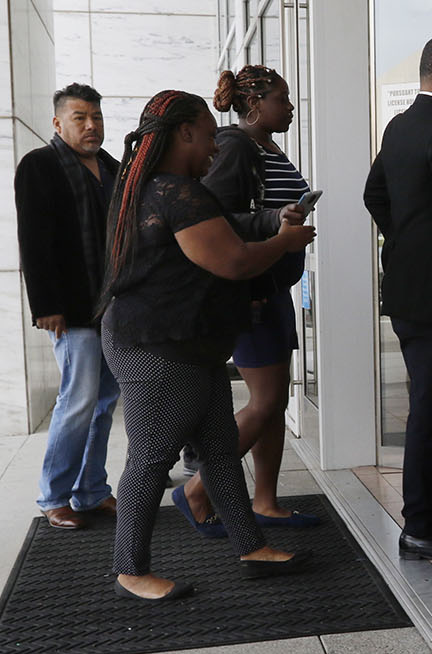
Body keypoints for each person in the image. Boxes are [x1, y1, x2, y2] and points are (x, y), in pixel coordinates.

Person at [99, 89, 315, 600]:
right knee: (151, 458)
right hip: (157, 347)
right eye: (209, 132)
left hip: (187, 344)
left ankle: (250, 545)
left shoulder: (159, 187)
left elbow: (221, 227)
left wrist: (269, 225)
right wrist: (283, 243)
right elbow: (233, 261)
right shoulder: (175, 191)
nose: (218, 143)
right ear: (185, 132)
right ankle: (129, 570)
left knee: (219, 450)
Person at [173, 64, 319, 530]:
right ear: (255, 105)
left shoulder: (264, 145)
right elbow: (216, 222)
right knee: (266, 400)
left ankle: (266, 501)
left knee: (274, 403)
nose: (291, 106)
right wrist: (278, 224)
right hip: (251, 292)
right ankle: (195, 491)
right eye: (283, 98)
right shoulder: (236, 146)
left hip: (271, 288)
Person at [363, 36, 432, 561]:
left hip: (407, 289)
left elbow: (372, 193)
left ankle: (431, 506)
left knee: (430, 404)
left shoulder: (399, 126)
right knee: (431, 409)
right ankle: (419, 525)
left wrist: (404, 238)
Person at [15, 83, 121, 530]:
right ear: (58, 123)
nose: (91, 125)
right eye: (80, 117)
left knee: (105, 401)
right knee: (77, 401)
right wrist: (46, 304)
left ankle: (91, 490)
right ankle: (55, 495)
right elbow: (34, 241)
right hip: (71, 308)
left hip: (116, 307)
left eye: (95, 116)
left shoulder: (114, 167)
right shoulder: (39, 166)